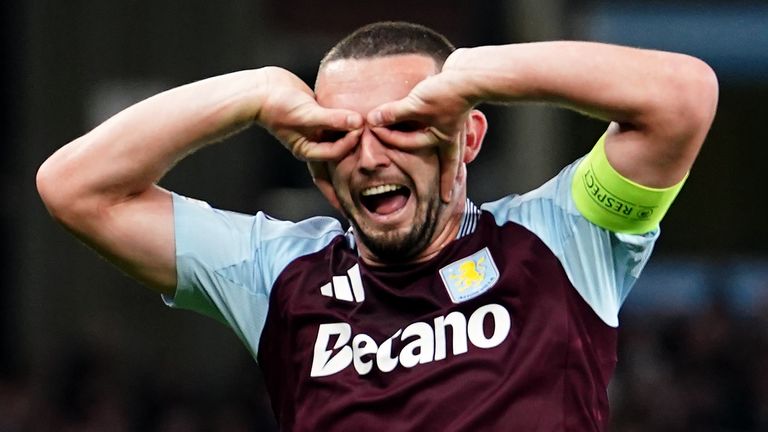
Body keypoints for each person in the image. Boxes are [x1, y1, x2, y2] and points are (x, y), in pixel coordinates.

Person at [37, 21, 718, 431]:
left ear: (468, 138)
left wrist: (477, 71)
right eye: (336, 135)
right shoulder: (277, 274)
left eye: (404, 125)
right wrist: (251, 92)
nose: (368, 157)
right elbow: (75, 188)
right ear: (313, 167)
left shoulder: (564, 240)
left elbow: (681, 98)